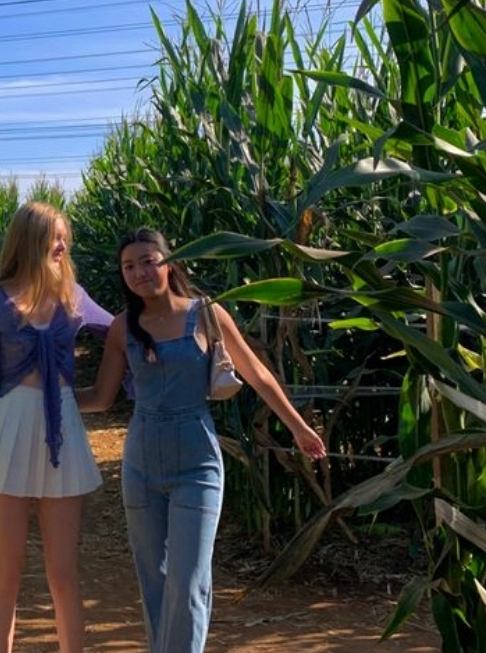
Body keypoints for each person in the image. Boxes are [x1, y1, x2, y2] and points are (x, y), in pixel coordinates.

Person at [77, 227, 326, 653]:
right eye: (129, 266)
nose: (139, 272)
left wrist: (298, 427)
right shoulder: (122, 328)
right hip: (140, 462)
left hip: (197, 462)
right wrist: (41, 397)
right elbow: (101, 397)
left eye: (148, 261)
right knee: (153, 578)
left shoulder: (207, 314)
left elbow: (257, 375)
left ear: (169, 263)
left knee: (189, 580)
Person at [0, 202, 114, 653]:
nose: (61, 246)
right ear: (28, 239)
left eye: (64, 238)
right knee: (7, 570)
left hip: (63, 430)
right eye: (52, 237)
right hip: (9, 427)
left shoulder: (74, 295)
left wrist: (182, 325)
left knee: (64, 573)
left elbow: (121, 332)